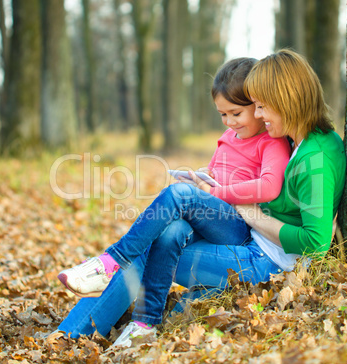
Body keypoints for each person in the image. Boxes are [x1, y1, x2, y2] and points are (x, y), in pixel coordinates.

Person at [56, 57, 291, 346]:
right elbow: (218, 170)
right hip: (211, 217)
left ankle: (112, 260)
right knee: (167, 233)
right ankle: (125, 325)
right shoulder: (230, 136)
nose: (229, 122)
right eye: (222, 115)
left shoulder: (271, 141)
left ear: (258, 105)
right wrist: (202, 178)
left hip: (238, 227)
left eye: (236, 113)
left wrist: (213, 192)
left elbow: (269, 186)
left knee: (177, 199)